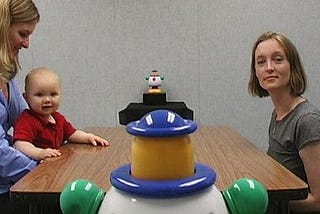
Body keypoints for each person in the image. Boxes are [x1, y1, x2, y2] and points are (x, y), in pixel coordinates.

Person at [248, 31, 320, 213]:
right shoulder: (277, 115)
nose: (269, 67)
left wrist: (264, 199)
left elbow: (317, 201)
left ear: (292, 67)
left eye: (278, 59)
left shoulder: (307, 121)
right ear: (256, 72)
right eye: (261, 62)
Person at [13, 67, 110, 161]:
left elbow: (72, 134)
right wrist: (39, 153)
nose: (47, 100)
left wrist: (88, 137)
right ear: (26, 98)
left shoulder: (58, 118)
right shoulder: (27, 120)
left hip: (56, 163)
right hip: (36, 169)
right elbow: (21, 144)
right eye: (39, 95)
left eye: (53, 94)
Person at [0, 0, 40, 213]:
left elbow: (28, 119)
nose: (27, 44)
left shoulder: (6, 76)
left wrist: (61, 132)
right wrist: (41, 169)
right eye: (23, 34)